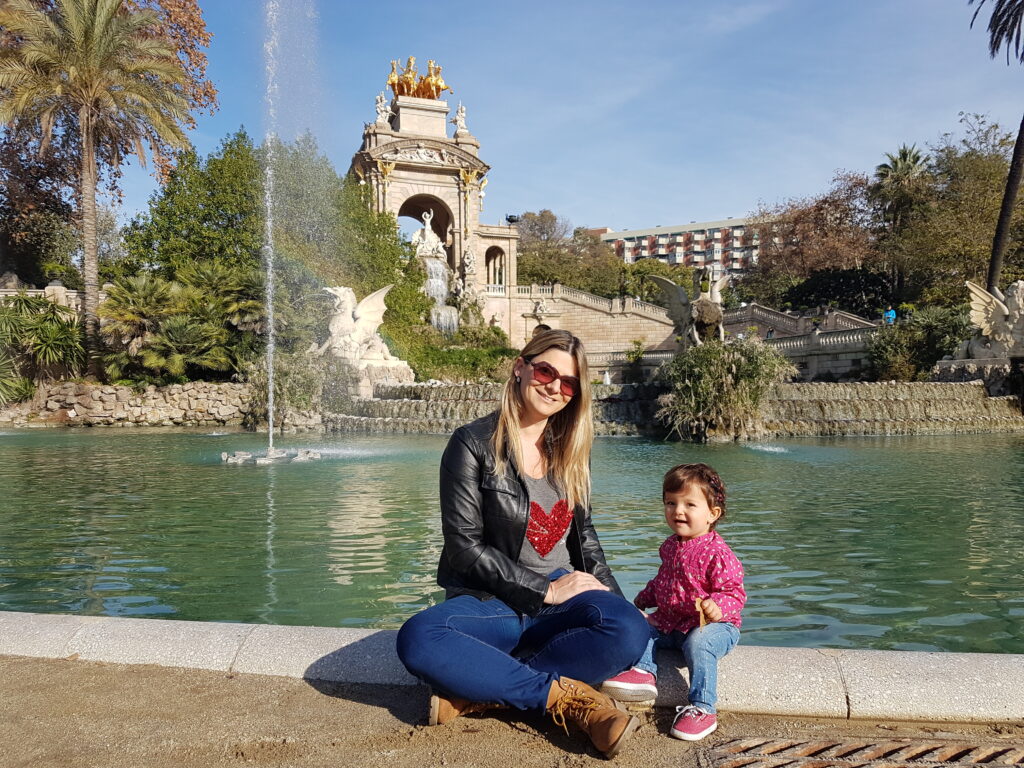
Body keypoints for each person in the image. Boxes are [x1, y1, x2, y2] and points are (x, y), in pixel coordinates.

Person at [396, 330, 650, 759]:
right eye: (547, 370)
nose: (556, 386)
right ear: (521, 367)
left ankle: (479, 693)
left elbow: (585, 540)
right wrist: (544, 590)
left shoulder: (571, 449)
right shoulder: (472, 444)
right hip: (494, 600)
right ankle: (570, 704)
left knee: (629, 629)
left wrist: (616, 600)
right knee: (419, 637)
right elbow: (463, 546)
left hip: (564, 598)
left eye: (569, 382)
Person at [601, 463, 746, 742]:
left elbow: (735, 594)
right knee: (640, 626)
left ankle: (703, 707)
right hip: (672, 623)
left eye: (689, 504)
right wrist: (644, 598)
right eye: (671, 502)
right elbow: (664, 581)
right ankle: (644, 672)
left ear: (712, 514)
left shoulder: (719, 553)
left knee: (699, 643)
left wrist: (718, 605)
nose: (677, 511)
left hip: (714, 625)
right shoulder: (670, 545)